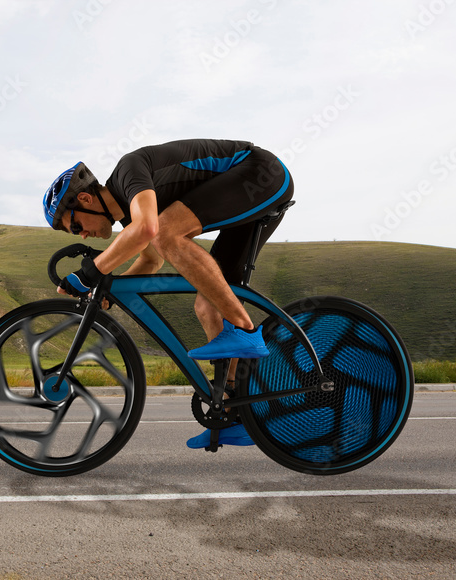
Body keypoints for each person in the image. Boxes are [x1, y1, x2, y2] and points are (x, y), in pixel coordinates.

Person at [41, 139, 293, 449]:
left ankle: (243, 329)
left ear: (85, 198)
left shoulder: (128, 172)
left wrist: (91, 271)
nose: (81, 234)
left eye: (75, 225)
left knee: (165, 230)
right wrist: (108, 292)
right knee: (207, 305)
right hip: (249, 190)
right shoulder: (130, 214)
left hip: (261, 173)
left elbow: (148, 230)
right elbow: (151, 259)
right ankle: (238, 412)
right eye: (75, 233)